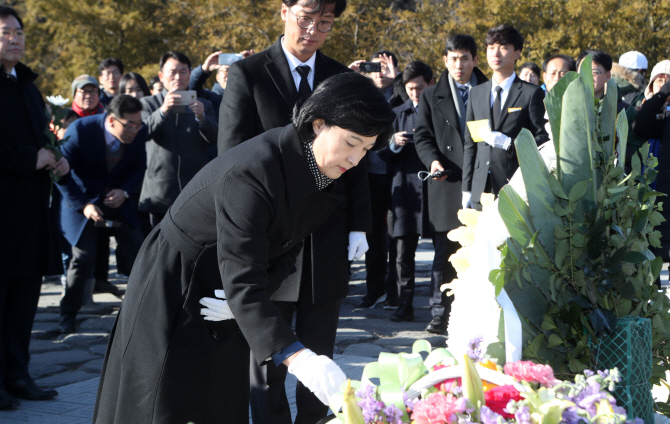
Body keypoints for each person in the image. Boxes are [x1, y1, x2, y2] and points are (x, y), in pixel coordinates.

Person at [92, 72, 395, 424]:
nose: (355, 159)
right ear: (318, 123)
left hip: (230, 287)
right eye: (351, 142)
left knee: (218, 397)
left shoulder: (321, 171)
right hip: (177, 280)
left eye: (366, 150)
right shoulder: (254, 171)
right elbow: (243, 278)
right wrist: (300, 358)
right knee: (164, 398)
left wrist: (250, 296)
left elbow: (285, 249)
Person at [219, 2, 370, 423]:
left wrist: (360, 225)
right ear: (284, 11)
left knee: (319, 348)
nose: (313, 30)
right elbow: (230, 160)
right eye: (305, 18)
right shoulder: (247, 75)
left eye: (324, 23)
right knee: (268, 354)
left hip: (326, 233)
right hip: (269, 233)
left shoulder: (344, 79)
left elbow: (359, 163)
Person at [0, 5, 70, 409]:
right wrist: (31, 158)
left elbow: (43, 138)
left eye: (19, 32)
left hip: (29, 212)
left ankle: (18, 374)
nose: (15, 38)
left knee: (24, 298)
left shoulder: (27, 85)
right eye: (6, 32)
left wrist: (56, 156)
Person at [415, 34, 488, 334]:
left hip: (484, 181)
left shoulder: (489, 90)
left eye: (465, 58)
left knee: (484, 251)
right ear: (444, 60)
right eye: (453, 58)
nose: (459, 65)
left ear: (474, 59)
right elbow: (422, 136)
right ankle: (439, 312)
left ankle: (481, 313)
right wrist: (433, 161)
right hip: (446, 182)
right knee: (445, 254)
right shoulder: (431, 96)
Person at [56, 95, 147, 333]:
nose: (135, 130)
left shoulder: (139, 130)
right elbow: (59, 172)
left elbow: (138, 169)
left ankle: (145, 310)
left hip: (118, 201)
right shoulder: (81, 130)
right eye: (130, 126)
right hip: (82, 200)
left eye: (138, 125)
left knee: (141, 251)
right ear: (111, 120)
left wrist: (125, 192)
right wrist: (84, 205)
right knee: (83, 257)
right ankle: (68, 314)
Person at [462, 24, 548, 210]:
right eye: (491, 48)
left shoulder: (531, 93)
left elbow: (542, 139)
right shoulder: (476, 93)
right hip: (480, 188)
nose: (496, 53)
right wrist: (466, 188)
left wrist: (511, 143)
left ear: (517, 53)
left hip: (516, 184)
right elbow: (470, 144)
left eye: (503, 47)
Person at [378, 61, 434, 322]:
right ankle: (404, 303)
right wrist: (394, 144)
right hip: (405, 188)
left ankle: (440, 306)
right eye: (410, 88)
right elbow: (380, 153)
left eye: (420, 88)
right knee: (402, 254)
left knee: (444, 252)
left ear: (430, 84)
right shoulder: (397, 113)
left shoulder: (438, 111)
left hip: (435, 188)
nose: (415, 93)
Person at [139, 51, 218, 228]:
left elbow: (215, 138)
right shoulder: (148, 103)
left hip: (195, 190)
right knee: (157, 249)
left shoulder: (204, 104)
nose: (178, 77)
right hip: (160, 191)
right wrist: (162, 111)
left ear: (190, 73)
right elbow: (141, 134)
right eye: (172, 72)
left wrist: (202, 118)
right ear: (161, 76)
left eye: (183, 71)